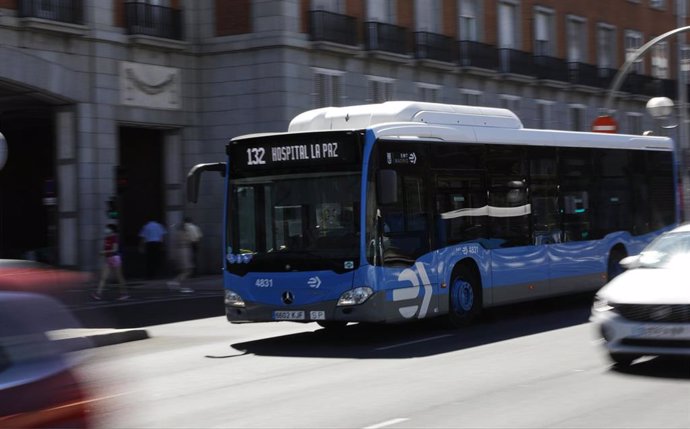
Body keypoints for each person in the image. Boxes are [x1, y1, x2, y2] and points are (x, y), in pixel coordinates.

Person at [92, 224, 128, 300]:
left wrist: (104, 251)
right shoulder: (106, 238)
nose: (106, 230)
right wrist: (103, 253)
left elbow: (115, 249)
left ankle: (124, 293)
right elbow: (106, 249)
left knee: (119, 276)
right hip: (108, 258)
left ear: (112, 230)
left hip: (115, 258)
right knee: (103, 277)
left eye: (107, 228)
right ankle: (98, 294)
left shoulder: (114, 238)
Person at [167, 222, 195, 293]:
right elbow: (188, 241)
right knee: (187, 270)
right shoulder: (183, 234)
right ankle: (176, 282)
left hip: (182, 252)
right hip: (184, 252)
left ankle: (177, 283)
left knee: (186, 270)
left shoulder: (178, 234)